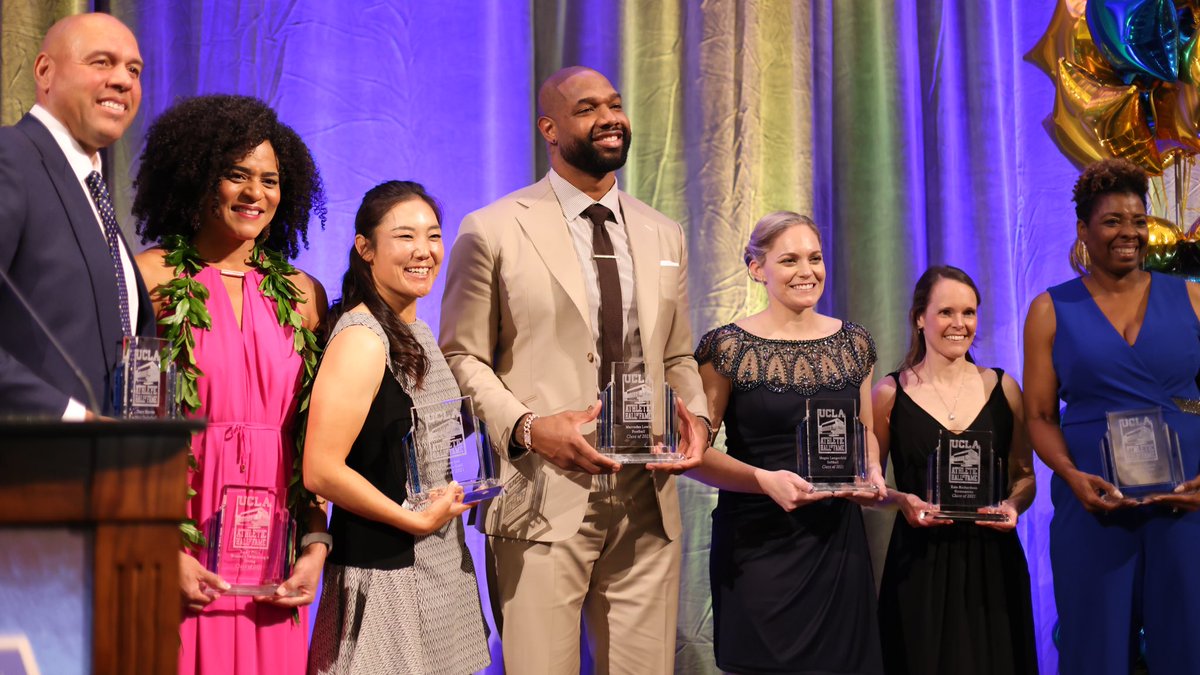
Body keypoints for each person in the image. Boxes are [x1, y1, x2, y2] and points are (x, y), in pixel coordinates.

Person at [439, 66, 710, 674]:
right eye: (588, 108)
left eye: (615, 104)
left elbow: (677, 356)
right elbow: (459, 356)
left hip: (649, 495)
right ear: (550, 129)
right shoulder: (493, 228)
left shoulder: (664, 232)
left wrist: (696, 416)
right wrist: (532, 427)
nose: (610, 117)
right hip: (541, 493)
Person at [131, 94, 329, 675]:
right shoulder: (153, 279)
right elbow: (132, 424)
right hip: (181, 535)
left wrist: (316, 545)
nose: (254, 193)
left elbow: (310, 438)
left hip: (274, 556)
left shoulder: (305, 296)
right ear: (196, 176)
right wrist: (159, 546)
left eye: (269, 180)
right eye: (236, 175)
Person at [688, 210, 887, 674]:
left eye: (815, 258)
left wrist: (872, 470)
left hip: (837, 548)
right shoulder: (727, 348)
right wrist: (763, 480)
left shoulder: (854, 343)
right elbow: (693, 454)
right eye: (790, 260)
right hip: (757, 548)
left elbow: (865, 430)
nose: (807, 271)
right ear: (757, 269)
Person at [303, 180, 489, 675]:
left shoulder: (416, 329)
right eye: (405, 237)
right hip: (386, 572)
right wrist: (412, 521)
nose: (423, 251)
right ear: (365, 248)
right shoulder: (363, 338)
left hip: (439, 564)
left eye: (432, 235)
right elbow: (320, 470)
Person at [1023, 158, 1200, 674]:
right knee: (1094, 647)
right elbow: (1037, 414)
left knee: (1188, 644)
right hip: (1094, 506)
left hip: (1185, 503)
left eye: (1138, 221)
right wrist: (1072, 476)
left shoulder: (1191, 298)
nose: (1130, 233)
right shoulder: (1050, 309)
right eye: (1113, 221)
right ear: (1083, 229)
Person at [872, 265, 1037, 674]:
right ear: (919, 318)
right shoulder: (890, 393)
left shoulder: (1004, 387)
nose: (959, 324)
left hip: (992, 564)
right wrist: (902, 501)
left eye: (969, 313)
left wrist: (1014, 506)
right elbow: (868, 481)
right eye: (946, 312)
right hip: (919, 563)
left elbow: (1025, 475)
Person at [0, 12, 154, 418]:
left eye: (134, 69)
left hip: (108, 467)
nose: (123, 80)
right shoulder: (11, 159)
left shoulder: (91, 188)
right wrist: (71, 415)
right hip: (30, 462)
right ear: (45, 71)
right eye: (102, 62)